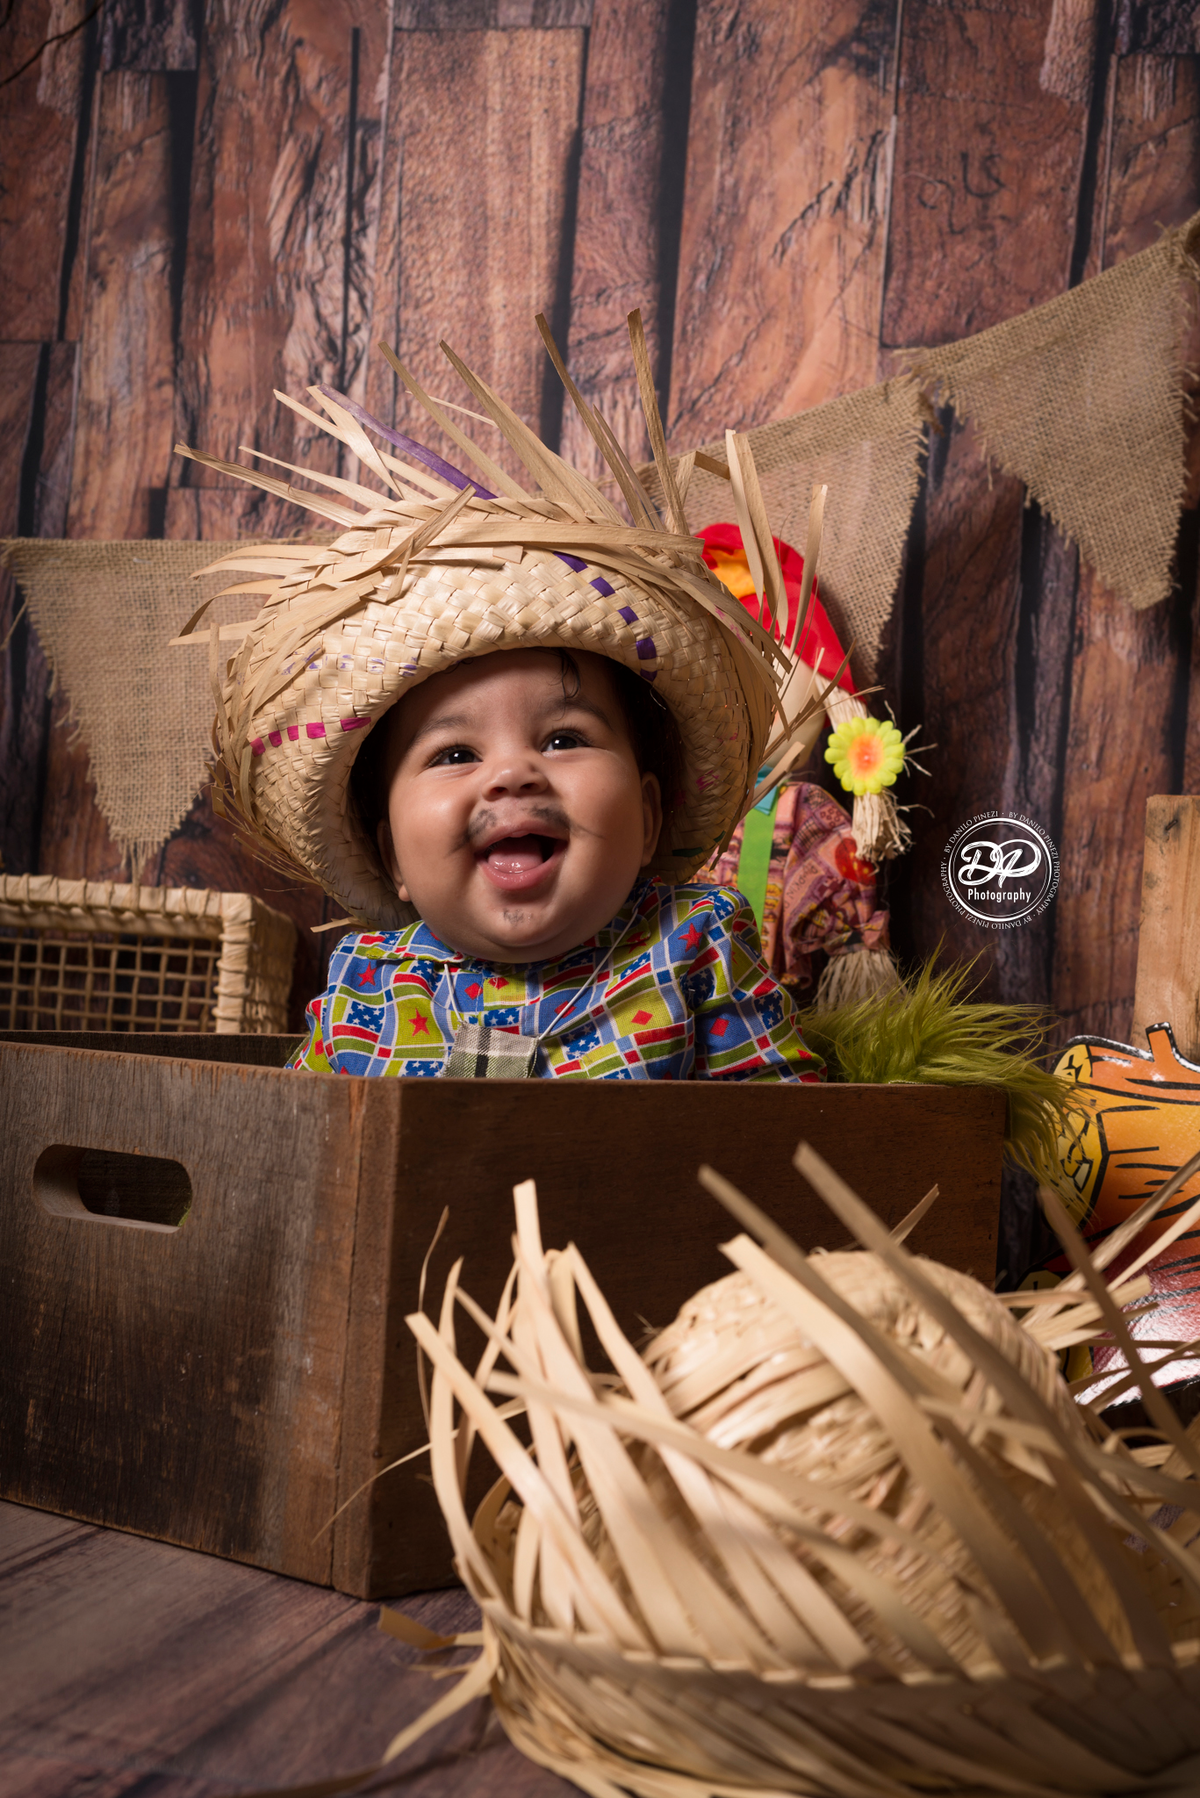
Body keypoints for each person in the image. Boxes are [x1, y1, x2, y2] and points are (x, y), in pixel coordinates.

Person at [176, 322, 825, 1081]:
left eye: (563, 739)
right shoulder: (368, 985)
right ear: (394, 861)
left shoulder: (694, 944)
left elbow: (785, 1131)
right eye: (455, 754)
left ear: (648, 819)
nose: (512, 774)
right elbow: (300, 1156)